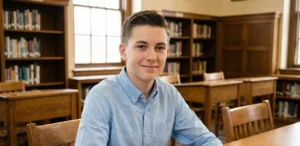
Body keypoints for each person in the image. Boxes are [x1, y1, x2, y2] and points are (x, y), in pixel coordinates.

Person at [75, 10, 223, 146]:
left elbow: (205, 139)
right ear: (123, 51)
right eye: (141, 46)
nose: (152, 57)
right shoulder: (100, 97)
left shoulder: (170, 95)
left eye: (160, 48)